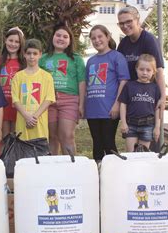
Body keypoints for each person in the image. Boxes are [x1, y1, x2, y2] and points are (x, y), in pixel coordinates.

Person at [85, 25, 130, 162]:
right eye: (93, 38)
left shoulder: (117, 57)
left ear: (107, 37)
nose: (97, 40)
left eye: (100, 36)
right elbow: (87, 85)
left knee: (108, 143)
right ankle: (98, 174)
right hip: (93, 110)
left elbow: (123, 81)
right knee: (97, 144)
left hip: (109, 109)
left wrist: (117, 104)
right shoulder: (91, 61)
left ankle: (114, 174)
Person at [39, 24, 86, 155]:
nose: (61, 39)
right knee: (51, 137)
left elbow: (82, 82)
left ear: (70, 40)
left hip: (70, 100)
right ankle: (53, 167)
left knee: (67, 136)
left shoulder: (76, 59)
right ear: (52, 37)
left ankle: (71, 169)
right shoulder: (43, 59)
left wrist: (81, 104)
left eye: (65, 36)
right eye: (58, 35)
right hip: (48, 101)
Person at [117, 6, 166, 110]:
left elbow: (158, 70)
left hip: (147, 98)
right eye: (121, 23)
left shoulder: (149, 40)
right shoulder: (123, 43)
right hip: (130, 98)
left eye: (129, 21)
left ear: (137, 20)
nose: (125, 26)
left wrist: (162, 97)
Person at [11, 39, 56, 141]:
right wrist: (27, 117)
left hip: (39, 123)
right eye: (29, 53)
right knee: (23, 152)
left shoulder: (47, 76)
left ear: (40, 54)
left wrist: (34, 117)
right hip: (23, 122)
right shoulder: (18, 77)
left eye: (35, 53)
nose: (32, 56)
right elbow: (15, 99)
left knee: (40, 154)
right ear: (24, 54)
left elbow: (48, 99)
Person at [119, 54, 161, 152]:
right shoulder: (129, 86)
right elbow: (123, 105)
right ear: (136, 69)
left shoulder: (155, 88)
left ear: (154, 72)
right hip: (131, 125)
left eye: (148, 70)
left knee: (143, 155)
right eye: (141, 69)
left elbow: (157, 109)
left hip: (148, 125)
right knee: (131, 154)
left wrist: (157, 127)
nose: (144, 73)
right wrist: (123, 123)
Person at [0, 27, 26, 138]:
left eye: (17, 41)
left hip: (19, 106)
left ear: (21, 44)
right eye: (10, 40)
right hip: (2, 106)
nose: (13, 44)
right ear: (5, 40)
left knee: (17, 139)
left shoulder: (25, 63)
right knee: (3, 138)